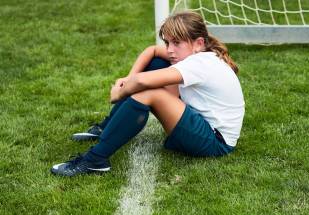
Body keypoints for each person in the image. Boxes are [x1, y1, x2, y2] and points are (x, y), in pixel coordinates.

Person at [51, 11, 245, 176]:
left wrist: (119, 93)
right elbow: (152, 51)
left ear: (198, 43)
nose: (170, 50)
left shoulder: (200, 63)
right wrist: (128, 78)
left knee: (148, 93)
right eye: (167, 43)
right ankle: (107, 128)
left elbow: (142, 81)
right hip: (203, 125)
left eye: (176, 43)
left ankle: (95, 160)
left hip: (215, 142)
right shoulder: (199, 55)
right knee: (158, 64)